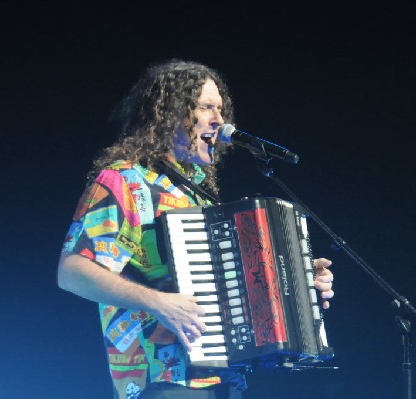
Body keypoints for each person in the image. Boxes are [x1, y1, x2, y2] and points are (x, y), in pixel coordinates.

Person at [57, 59, 335, 399]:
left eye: (220, 109)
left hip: (223, 376)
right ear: (168, 114)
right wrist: (160, 303)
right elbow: (72, 270)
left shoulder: (195, 192)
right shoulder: (123, 181)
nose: (219, 120)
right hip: (163, 376)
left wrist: (300, 286)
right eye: (206, 108)